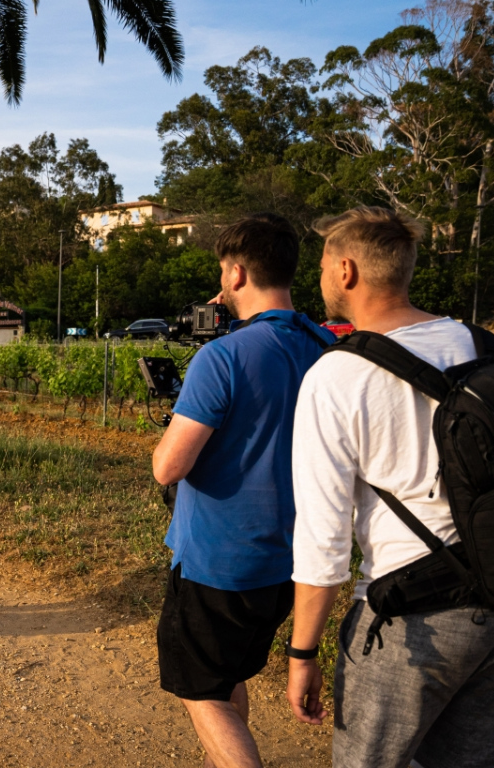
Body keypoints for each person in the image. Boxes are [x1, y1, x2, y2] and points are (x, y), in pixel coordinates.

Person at [287, 206, 494, 767]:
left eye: (326, 264)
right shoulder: (492, 349)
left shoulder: (337, 376)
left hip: (411, 626)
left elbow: (322, 540)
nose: (323, 277)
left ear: (346, 271)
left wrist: (301, 650)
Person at [151, 213, 333, 768]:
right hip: (288, 562)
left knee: (200, 690)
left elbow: (169, 468)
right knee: (226, 675)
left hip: (218, 563)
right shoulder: (326, 346)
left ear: (234, 274)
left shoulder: (221, 358)